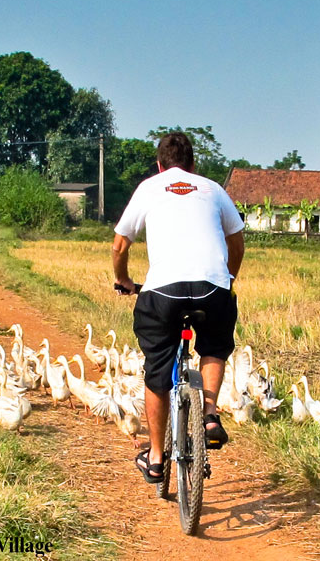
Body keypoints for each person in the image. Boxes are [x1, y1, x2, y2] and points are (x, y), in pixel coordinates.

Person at [112, 131, 245, 484]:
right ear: (193, 164)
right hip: (212, 288)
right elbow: (236, 239)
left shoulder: (149, 188)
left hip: (163, 293)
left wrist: (123, 280)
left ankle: (156, 459)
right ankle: (211, 413)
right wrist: (227, 278)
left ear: (160, 166)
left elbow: (119, 244)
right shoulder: (213, 188)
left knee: (157, 370)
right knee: (215, 344)